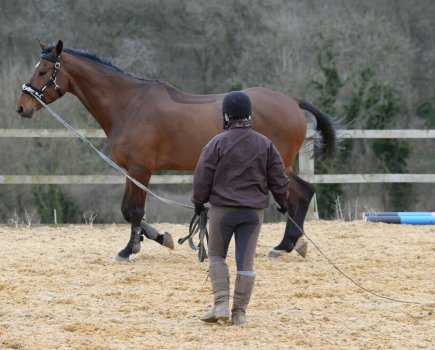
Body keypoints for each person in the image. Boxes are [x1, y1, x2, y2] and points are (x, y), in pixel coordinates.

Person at [192, 91, 289, 325]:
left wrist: (198, 203)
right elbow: (278, 177)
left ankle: (221, 304)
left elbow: (202, 177)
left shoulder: (216, 143)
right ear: (249, 115)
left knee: (216, 255)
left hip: (223, 210)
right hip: (253, 212)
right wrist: (283, 202)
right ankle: (239, 313)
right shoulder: (265, 144)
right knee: (246, 262)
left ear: (226, 116)